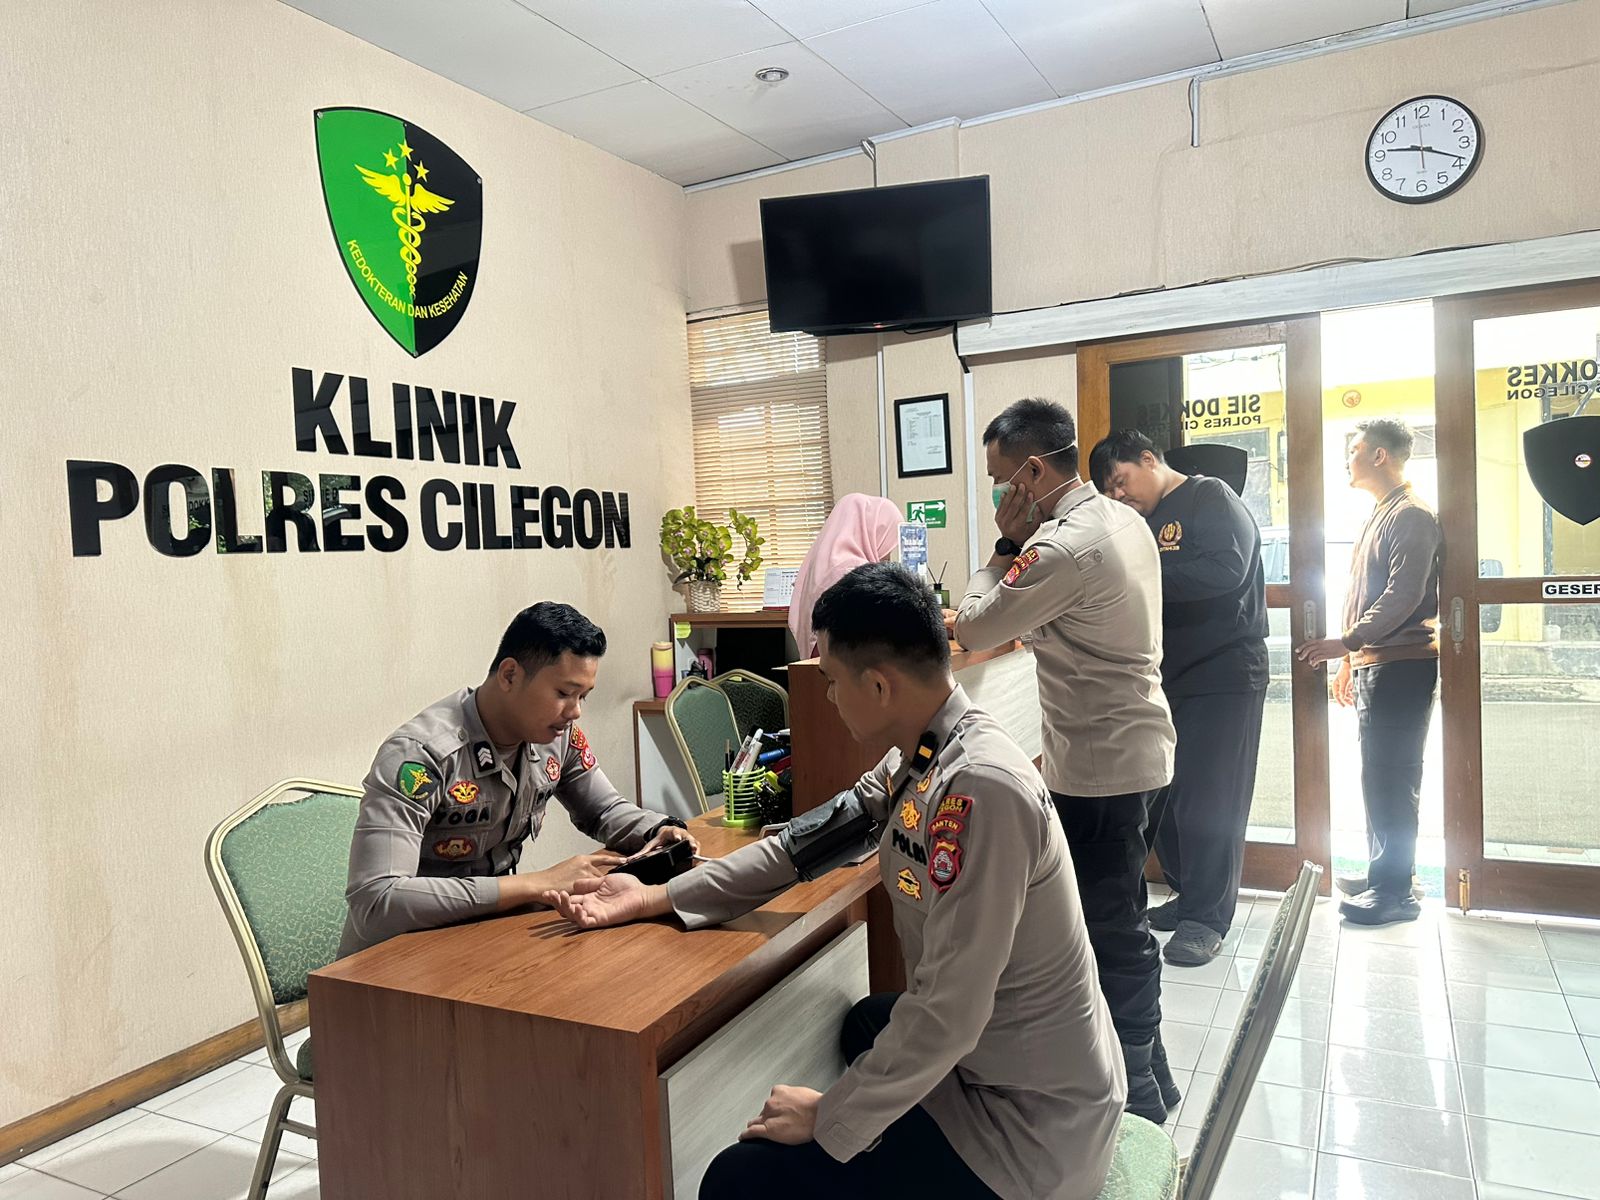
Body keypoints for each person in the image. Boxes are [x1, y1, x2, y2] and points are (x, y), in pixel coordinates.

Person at [545, 564, 1125, 1200]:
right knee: (868, 1023)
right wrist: (655, 896)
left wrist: (829, 1116)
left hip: (1028, 1134)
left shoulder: (983, 789)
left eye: (829, 680)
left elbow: (949, 1013)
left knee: (737, 1178)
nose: (824, 697)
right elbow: (797, 847)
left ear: (877, 685)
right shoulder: (926, 751)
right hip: (995, 1062)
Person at [949, 398, 1178, 1124]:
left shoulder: (1059, 549)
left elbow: (973, 628)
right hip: (1139, 748)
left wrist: (1000, 548)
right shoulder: (1122, 518)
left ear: (1031, 472)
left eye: (999, 480)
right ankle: (1154, 1071)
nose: (998, 493)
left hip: (1102, 767)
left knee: (1110, 927)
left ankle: (1139, 1096)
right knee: (1121, 913)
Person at [337, 601, 698, 957]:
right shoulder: (420, 756)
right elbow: (376, 902)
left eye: (583, 697)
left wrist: (658, 830)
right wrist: (535, 884)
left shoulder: (557, 737)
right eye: (563, 693)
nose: (575, 711)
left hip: (483, 939)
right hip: (393, 960)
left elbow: (604, 810)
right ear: (510, 675)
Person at [1089, 430, 1269, 967]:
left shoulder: (1210, 496)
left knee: (1212, 800)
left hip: (1224, 673)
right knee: (1165, 795)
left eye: (1120, 481)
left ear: (1148, 459)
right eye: (1109, 491)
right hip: (1167, 675)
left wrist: (1138, 576)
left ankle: (1207, 920)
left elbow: (1226, 569)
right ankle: (1189, 894)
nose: (1118, 495)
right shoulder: (1139, 522)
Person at [1297, 419, 1442, 927]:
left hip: (1402, 665)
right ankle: (1390, 875)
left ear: (1380, 456)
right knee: (1379, 777)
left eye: (1355, 449)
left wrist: (1348, 642)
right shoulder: (1383, 512)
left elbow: (1403, 594)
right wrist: (1348, 662)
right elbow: (1364, 596)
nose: (1348, 459)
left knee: (1392, 778)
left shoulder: (1411, 514)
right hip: (1378, 662)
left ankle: (1395, 892)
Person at [788, 492, 903, 658]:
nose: (889, 554)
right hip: (845, 666)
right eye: (889, 540)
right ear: (873, 533)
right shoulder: (852, 572)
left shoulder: (826, 563)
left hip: (819, 664)